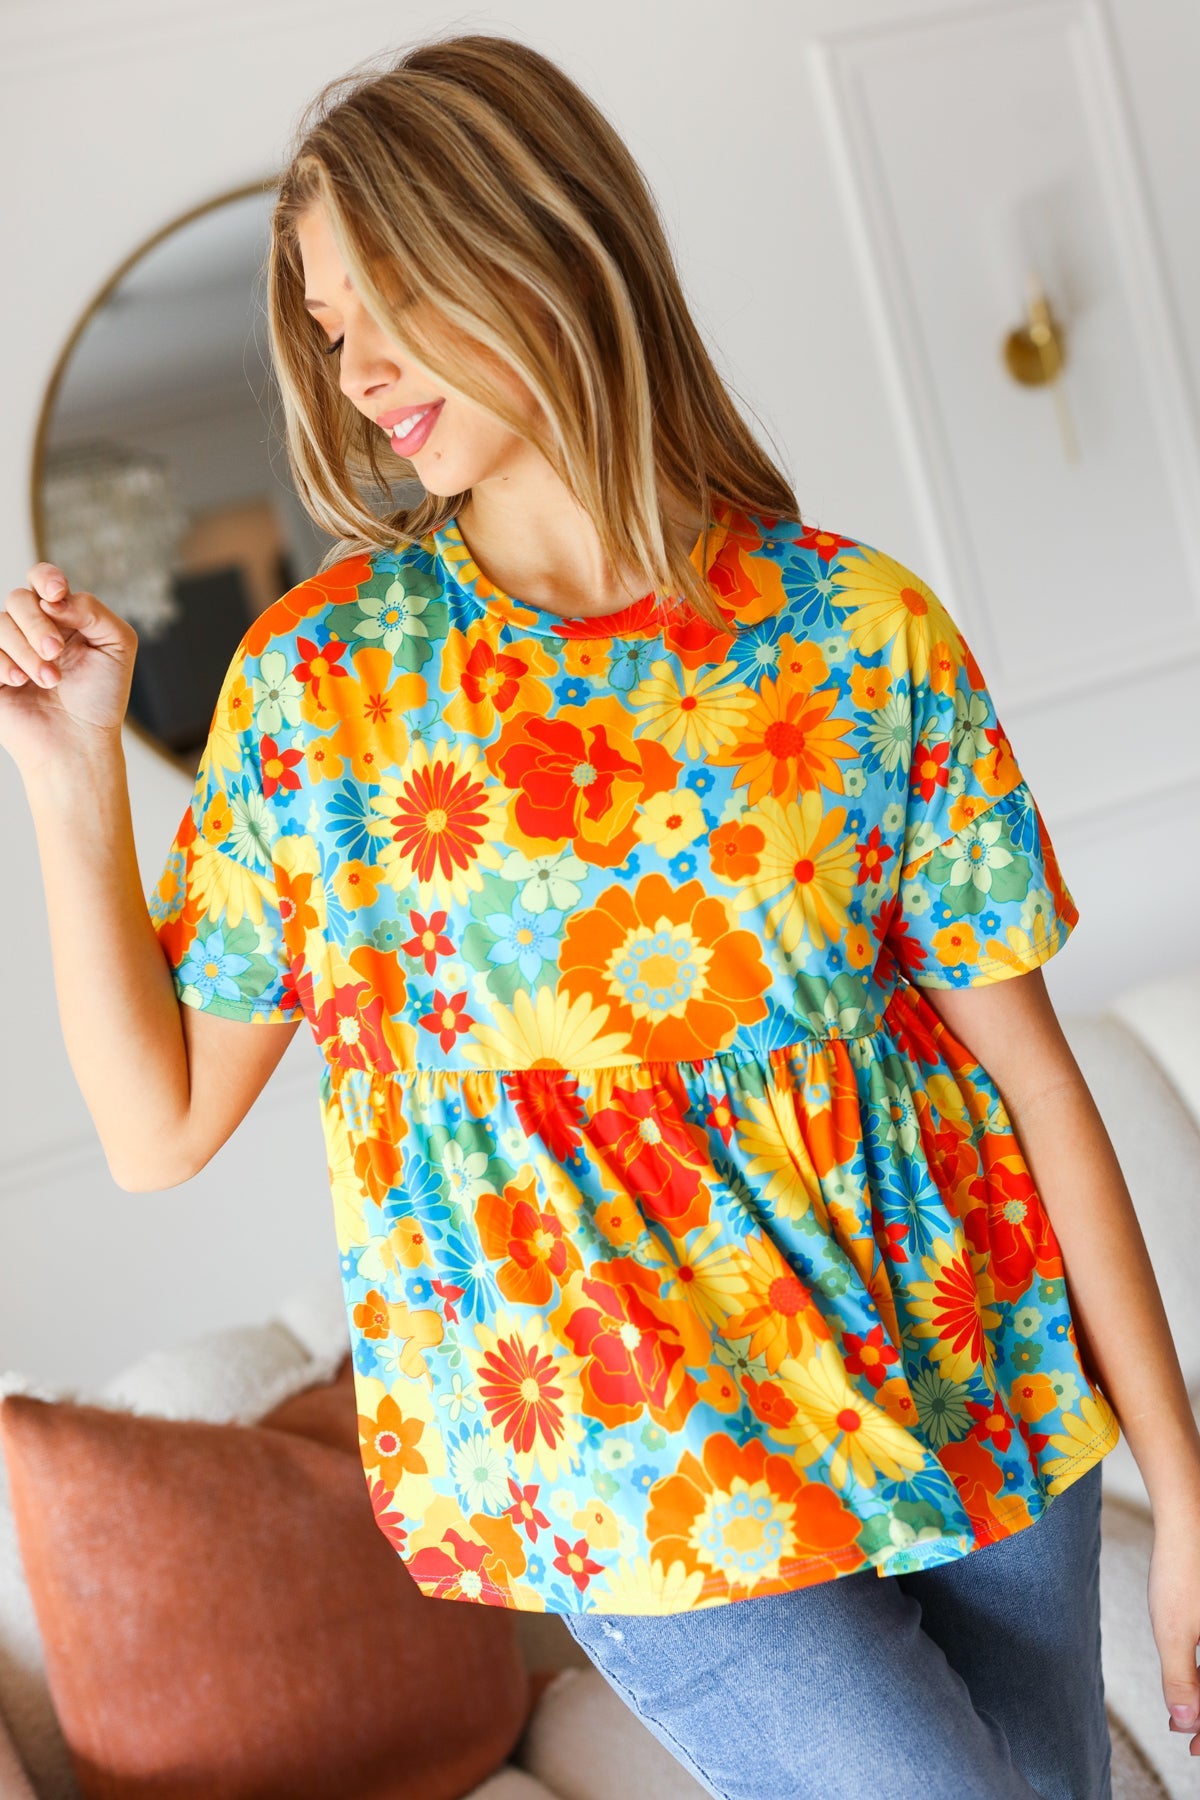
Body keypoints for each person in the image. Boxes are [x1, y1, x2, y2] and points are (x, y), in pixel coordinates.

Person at [5, 30, 1199, 1800]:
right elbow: (156, 1128)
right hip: (631, 1471)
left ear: (538, 244)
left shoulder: (856, 631)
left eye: (390, 300)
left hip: (974, 1383)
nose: (358, 367)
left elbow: (1031, 1076)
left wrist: (1184, 1492)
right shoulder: (326, 690)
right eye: (329, 328)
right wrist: (69, 777)